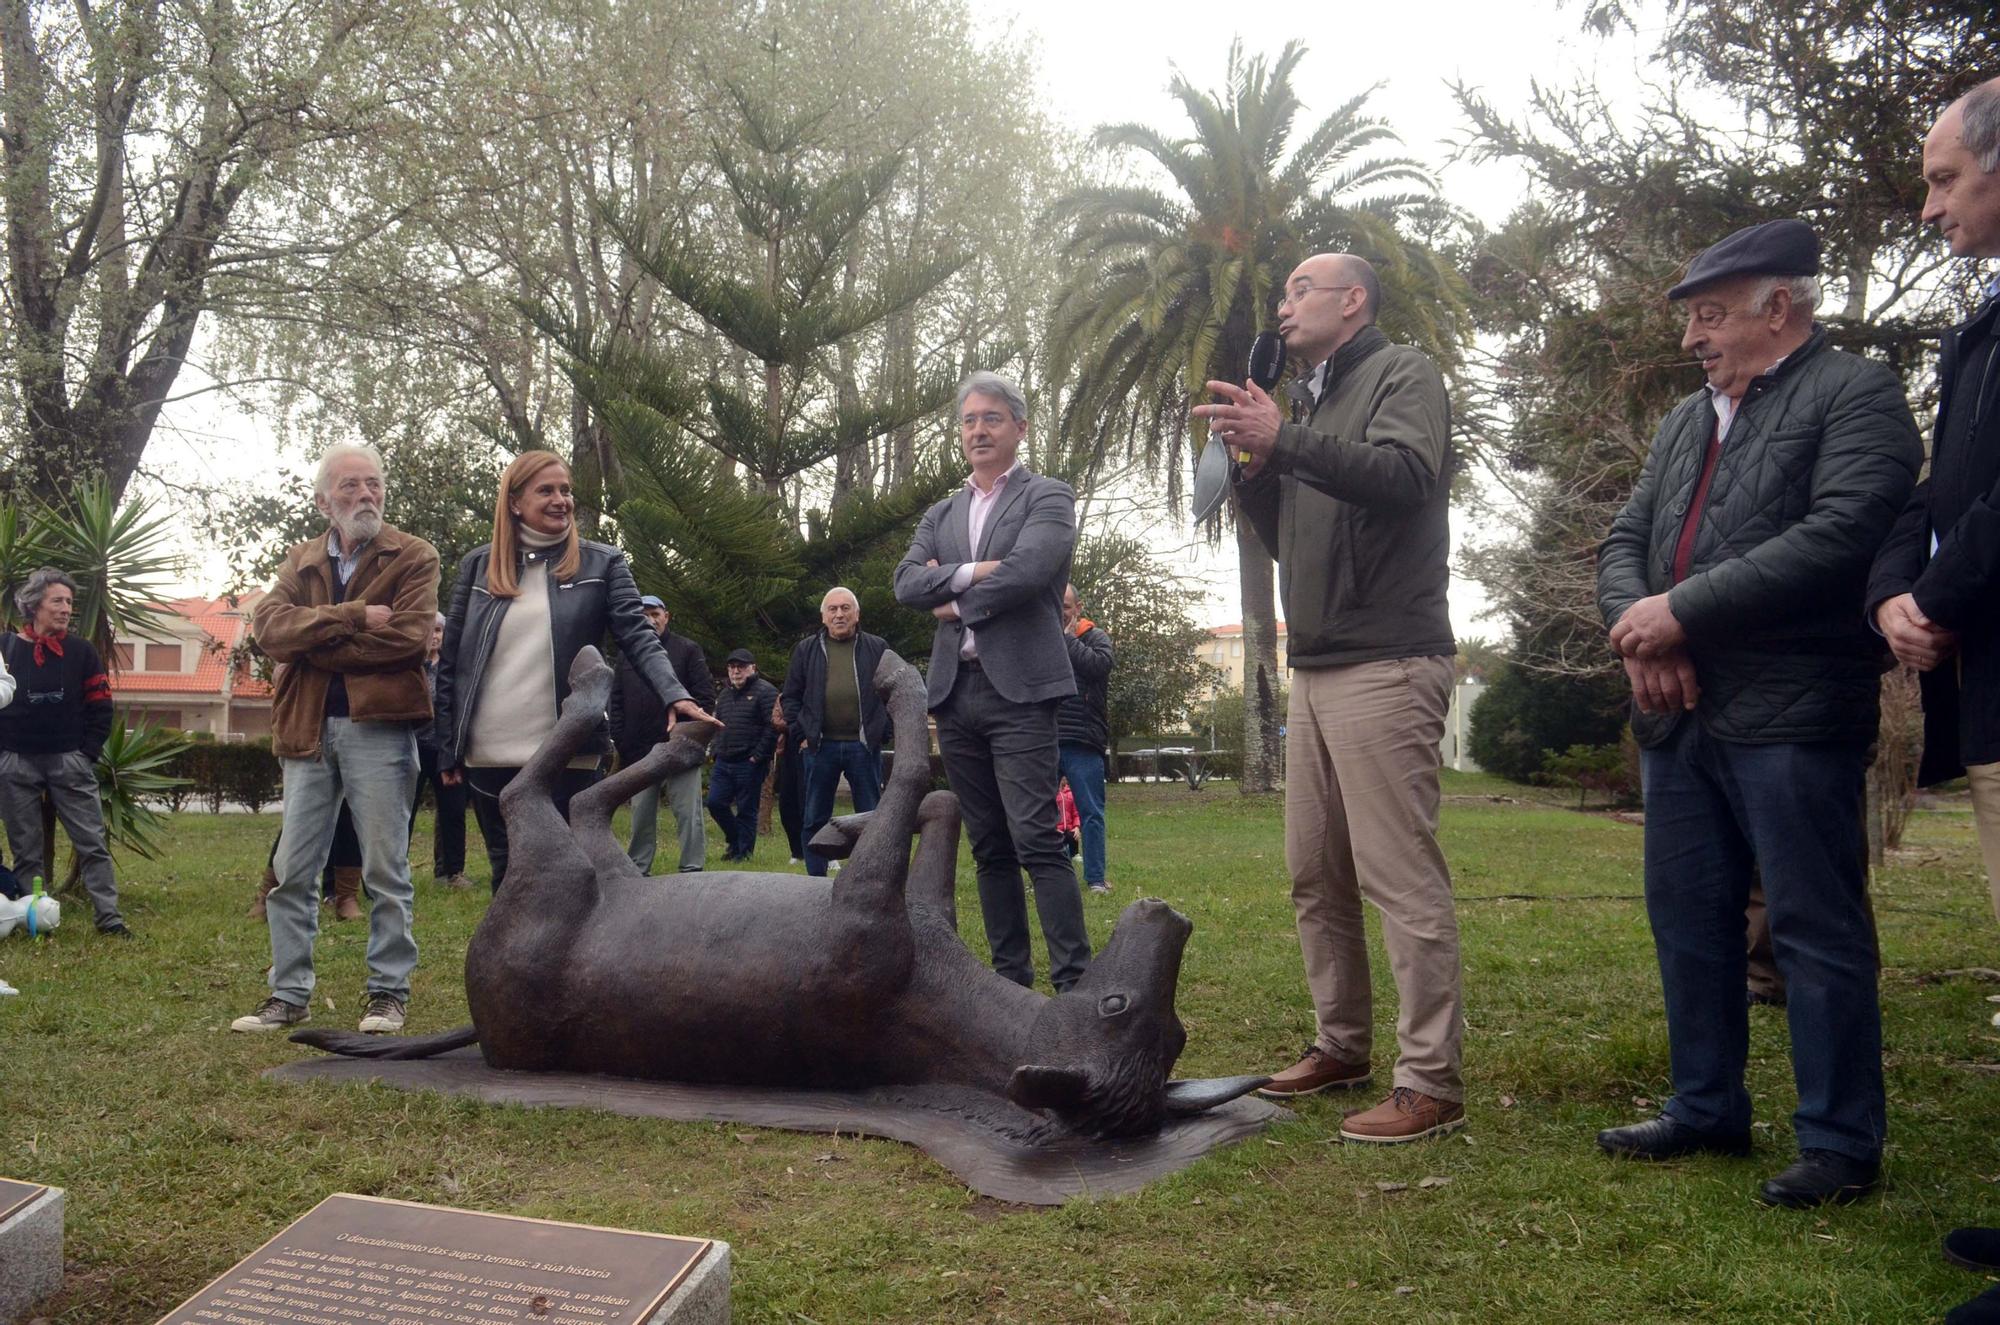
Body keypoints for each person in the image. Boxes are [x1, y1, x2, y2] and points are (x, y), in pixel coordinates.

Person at [1593, 219, 1920, 1206]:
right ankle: (1703, 1106)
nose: (1693, 337)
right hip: (1677, 710)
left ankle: (1836, 1140)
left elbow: (1842, 531)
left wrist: (1678, 610)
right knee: (1687, 920)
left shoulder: (1853, 393)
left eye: (1708, 315)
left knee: (1812, 925)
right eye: (1689, 317)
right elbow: (1623, 534)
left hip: (1793, 711)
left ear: (1779, 306)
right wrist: (1638, 631)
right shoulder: (1683, 420)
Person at [1194, 252, 1464, 1143]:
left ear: (1354, 300)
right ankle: (1340, 1043)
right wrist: (1259, 476)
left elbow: (1405, 476)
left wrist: (1290, 442)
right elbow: (1292, 544)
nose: (1282, 302)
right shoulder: (1303, 404)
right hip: (1316, 667)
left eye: (1298, 289)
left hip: (1388, 659)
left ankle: (1430, 1079)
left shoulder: (1403, 373)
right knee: (1315, 872)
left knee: (1397, 876)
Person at [1864, 76, 2000, 1317]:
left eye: (1943, 178)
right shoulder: (1980, 322)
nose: (1926, 204)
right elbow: (1931, 485)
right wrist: (1893, 591)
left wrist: (1945, 591)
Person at [893, 370, 1092, 992]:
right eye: (969, 420)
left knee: (1036, 837)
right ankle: (1010, 983)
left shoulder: (1048, 496)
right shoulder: (942, 511)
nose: (978, 430)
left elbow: (1033, 572)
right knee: (989, 845)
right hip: (956, 695)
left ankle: (1074, 983)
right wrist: (978, 569)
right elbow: (904, 584)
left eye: (992, 419)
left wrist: (952, 596)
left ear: (1019, 428)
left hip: (1023, 693)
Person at [234, 444, 440, 1033]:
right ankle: (288, 993)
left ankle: (387, 992)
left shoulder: (413, 556)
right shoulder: (299, 561)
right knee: (293, 869)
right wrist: (351, 616)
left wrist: (311, 644)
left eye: (373, 484)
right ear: (324, 500)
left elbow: (405, 639)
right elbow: (268, 630)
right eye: (350, 487)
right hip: (306, 731)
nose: (365, 496)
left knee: (384, 869)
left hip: (379, 731)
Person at [436, 450, 704, 894]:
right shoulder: (477, 566)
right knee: (509, 883)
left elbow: (638, 637)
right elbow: (451, 662)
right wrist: (448, 746)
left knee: (572, 882)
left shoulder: (604, 563)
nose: (562, 499)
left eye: (566, 490)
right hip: (490, 753)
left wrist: (675, 694)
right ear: (515, 502)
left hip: (567, 750)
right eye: (547, 490)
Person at [0, 568, 127, 937]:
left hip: (68, 760)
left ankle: (110, 919)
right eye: (57, 600)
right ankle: (36, 920)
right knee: (26, 850)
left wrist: (84, 754)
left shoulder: (82, 651)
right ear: (34, 604)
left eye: (69, 602)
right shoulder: (5, 648)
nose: (66, 608)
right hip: (15, 762)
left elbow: (101, 706)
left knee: (92, 842)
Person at [781, 587, 890, 877]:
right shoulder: (806, 650)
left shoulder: (878, 647)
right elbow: (790, 697)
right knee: (814, 816)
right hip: (819, 747)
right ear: (823, 616)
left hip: (864, 746)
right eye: (832, 609)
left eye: (845, 608)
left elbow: (894, 690)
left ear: (857, 614)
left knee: (871, 816)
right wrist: (800, 733)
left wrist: (883, 730)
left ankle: (870, 878)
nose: (839, 614)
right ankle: (815, 881)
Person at [609, 594, 714, 874]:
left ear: (666, 616)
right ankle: (638, 869)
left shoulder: (688, 650)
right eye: (643, 614)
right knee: (640, 816)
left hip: (681, 748)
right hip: (640, 751)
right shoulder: (627, 654)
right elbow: (615, 701)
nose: (650, 619)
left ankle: (692, 870)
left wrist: (686, 736)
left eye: (655, 613)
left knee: (688, 814)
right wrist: (622, 739)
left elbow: (704, 697)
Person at [1056, 584, 1114, 895]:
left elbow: (1098, 666)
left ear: (1078, 607)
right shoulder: (1041, 639)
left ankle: (1095, 880)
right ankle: (1048, 877)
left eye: (1066, 605)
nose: (1061, 610)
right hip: (1046, 738)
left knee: (1091, 812)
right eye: (1056, 603)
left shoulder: (1096, 638)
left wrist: (1065, 639)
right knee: (1037, 813)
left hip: (1084, 740)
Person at [412, 612, 472, 890]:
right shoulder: (411, 668)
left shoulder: (453, 668)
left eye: (439, 630)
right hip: (413, 747)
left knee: (453, 811)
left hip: (446, 749)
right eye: (429, 630)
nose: (434, 636)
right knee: (404, 813)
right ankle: (396, 870)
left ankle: (452, 872)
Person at [706, 648, 778, 862]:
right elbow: (718, 724)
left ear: (752, 668)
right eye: (732, 667)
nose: (736, 671)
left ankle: (743, 853)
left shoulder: (766, 692)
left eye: (741, 667)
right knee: (715, 803)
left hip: (750, 762)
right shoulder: (725, 694)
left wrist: (758, 756)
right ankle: (735, 840)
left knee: (747, 809)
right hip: (724, 760)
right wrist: (716, 750)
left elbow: (772, 727)